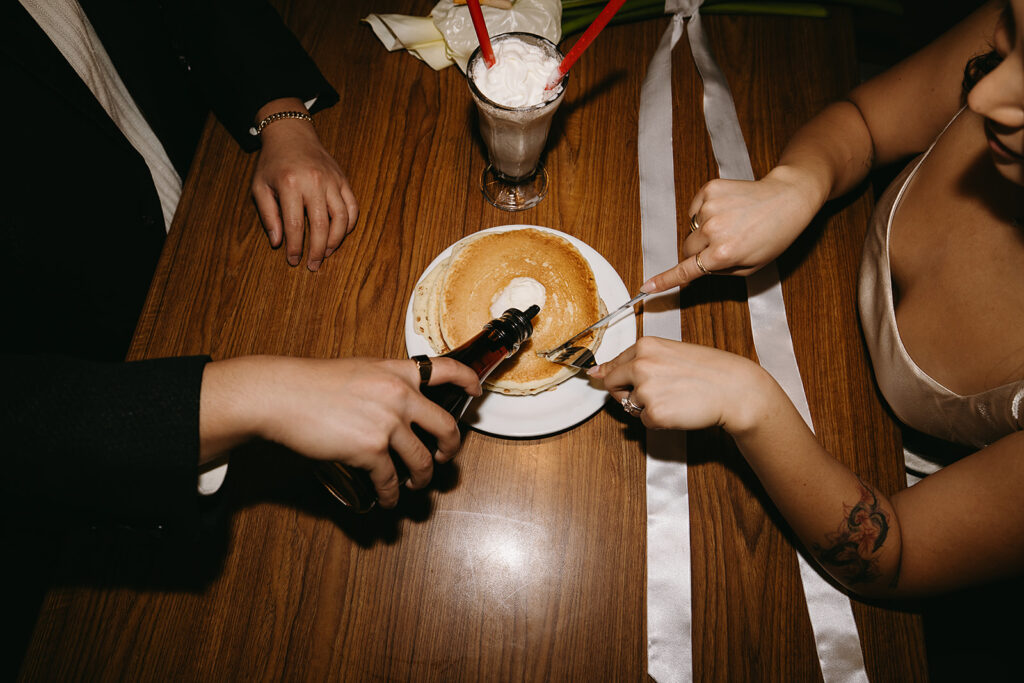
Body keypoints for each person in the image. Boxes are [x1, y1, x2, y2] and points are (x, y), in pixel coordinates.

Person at [591, 0, 1024, 599]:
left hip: (876, 471)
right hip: (822, 294)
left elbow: (895, 561)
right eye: (1005, 48)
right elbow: (867, 120)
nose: (983, 96)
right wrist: (799, 183)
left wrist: (751, 404)